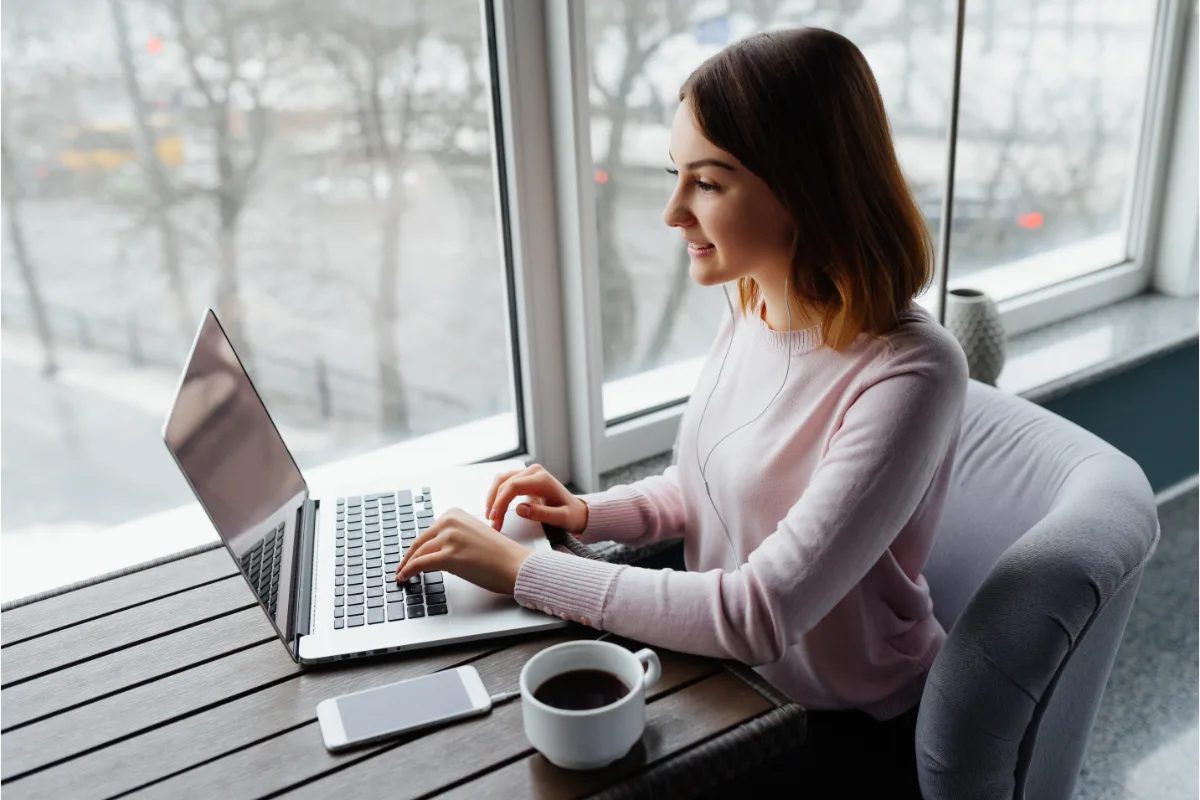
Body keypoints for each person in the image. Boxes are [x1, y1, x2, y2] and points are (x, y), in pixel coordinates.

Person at [396, 27, 967, 796]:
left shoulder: (912, 374)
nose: (672, 212)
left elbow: (758, 612)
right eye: (676, 174)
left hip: (840, 729)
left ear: (806, 185)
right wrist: (586, 513)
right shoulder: (752, 305)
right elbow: (701, 488)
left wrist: (523, 570)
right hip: (731, 681)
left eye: (708, 182)